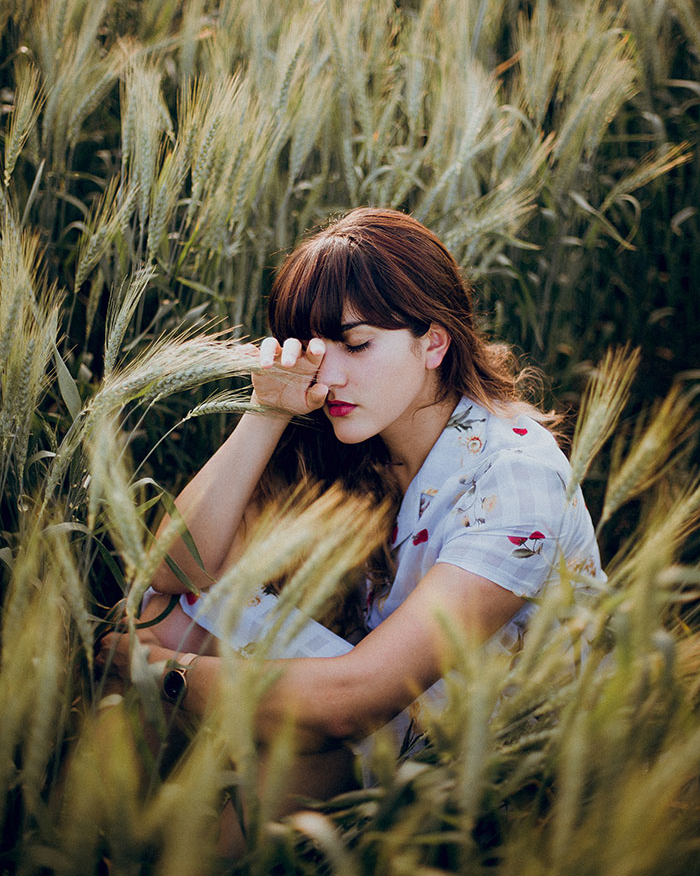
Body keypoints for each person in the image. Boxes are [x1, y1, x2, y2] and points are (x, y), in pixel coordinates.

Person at [97, 207, 604, 838]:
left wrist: (167, 678)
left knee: (309, 723)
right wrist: (266, 411)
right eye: (313, 351)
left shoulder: (517, 476)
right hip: (393, 714)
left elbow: (354, 699)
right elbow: (176, 572)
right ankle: (96, 833)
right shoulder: (351, 436)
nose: (329, 375)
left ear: (434, 343)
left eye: (357, 344)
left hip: (492, 770)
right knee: (159, 611)